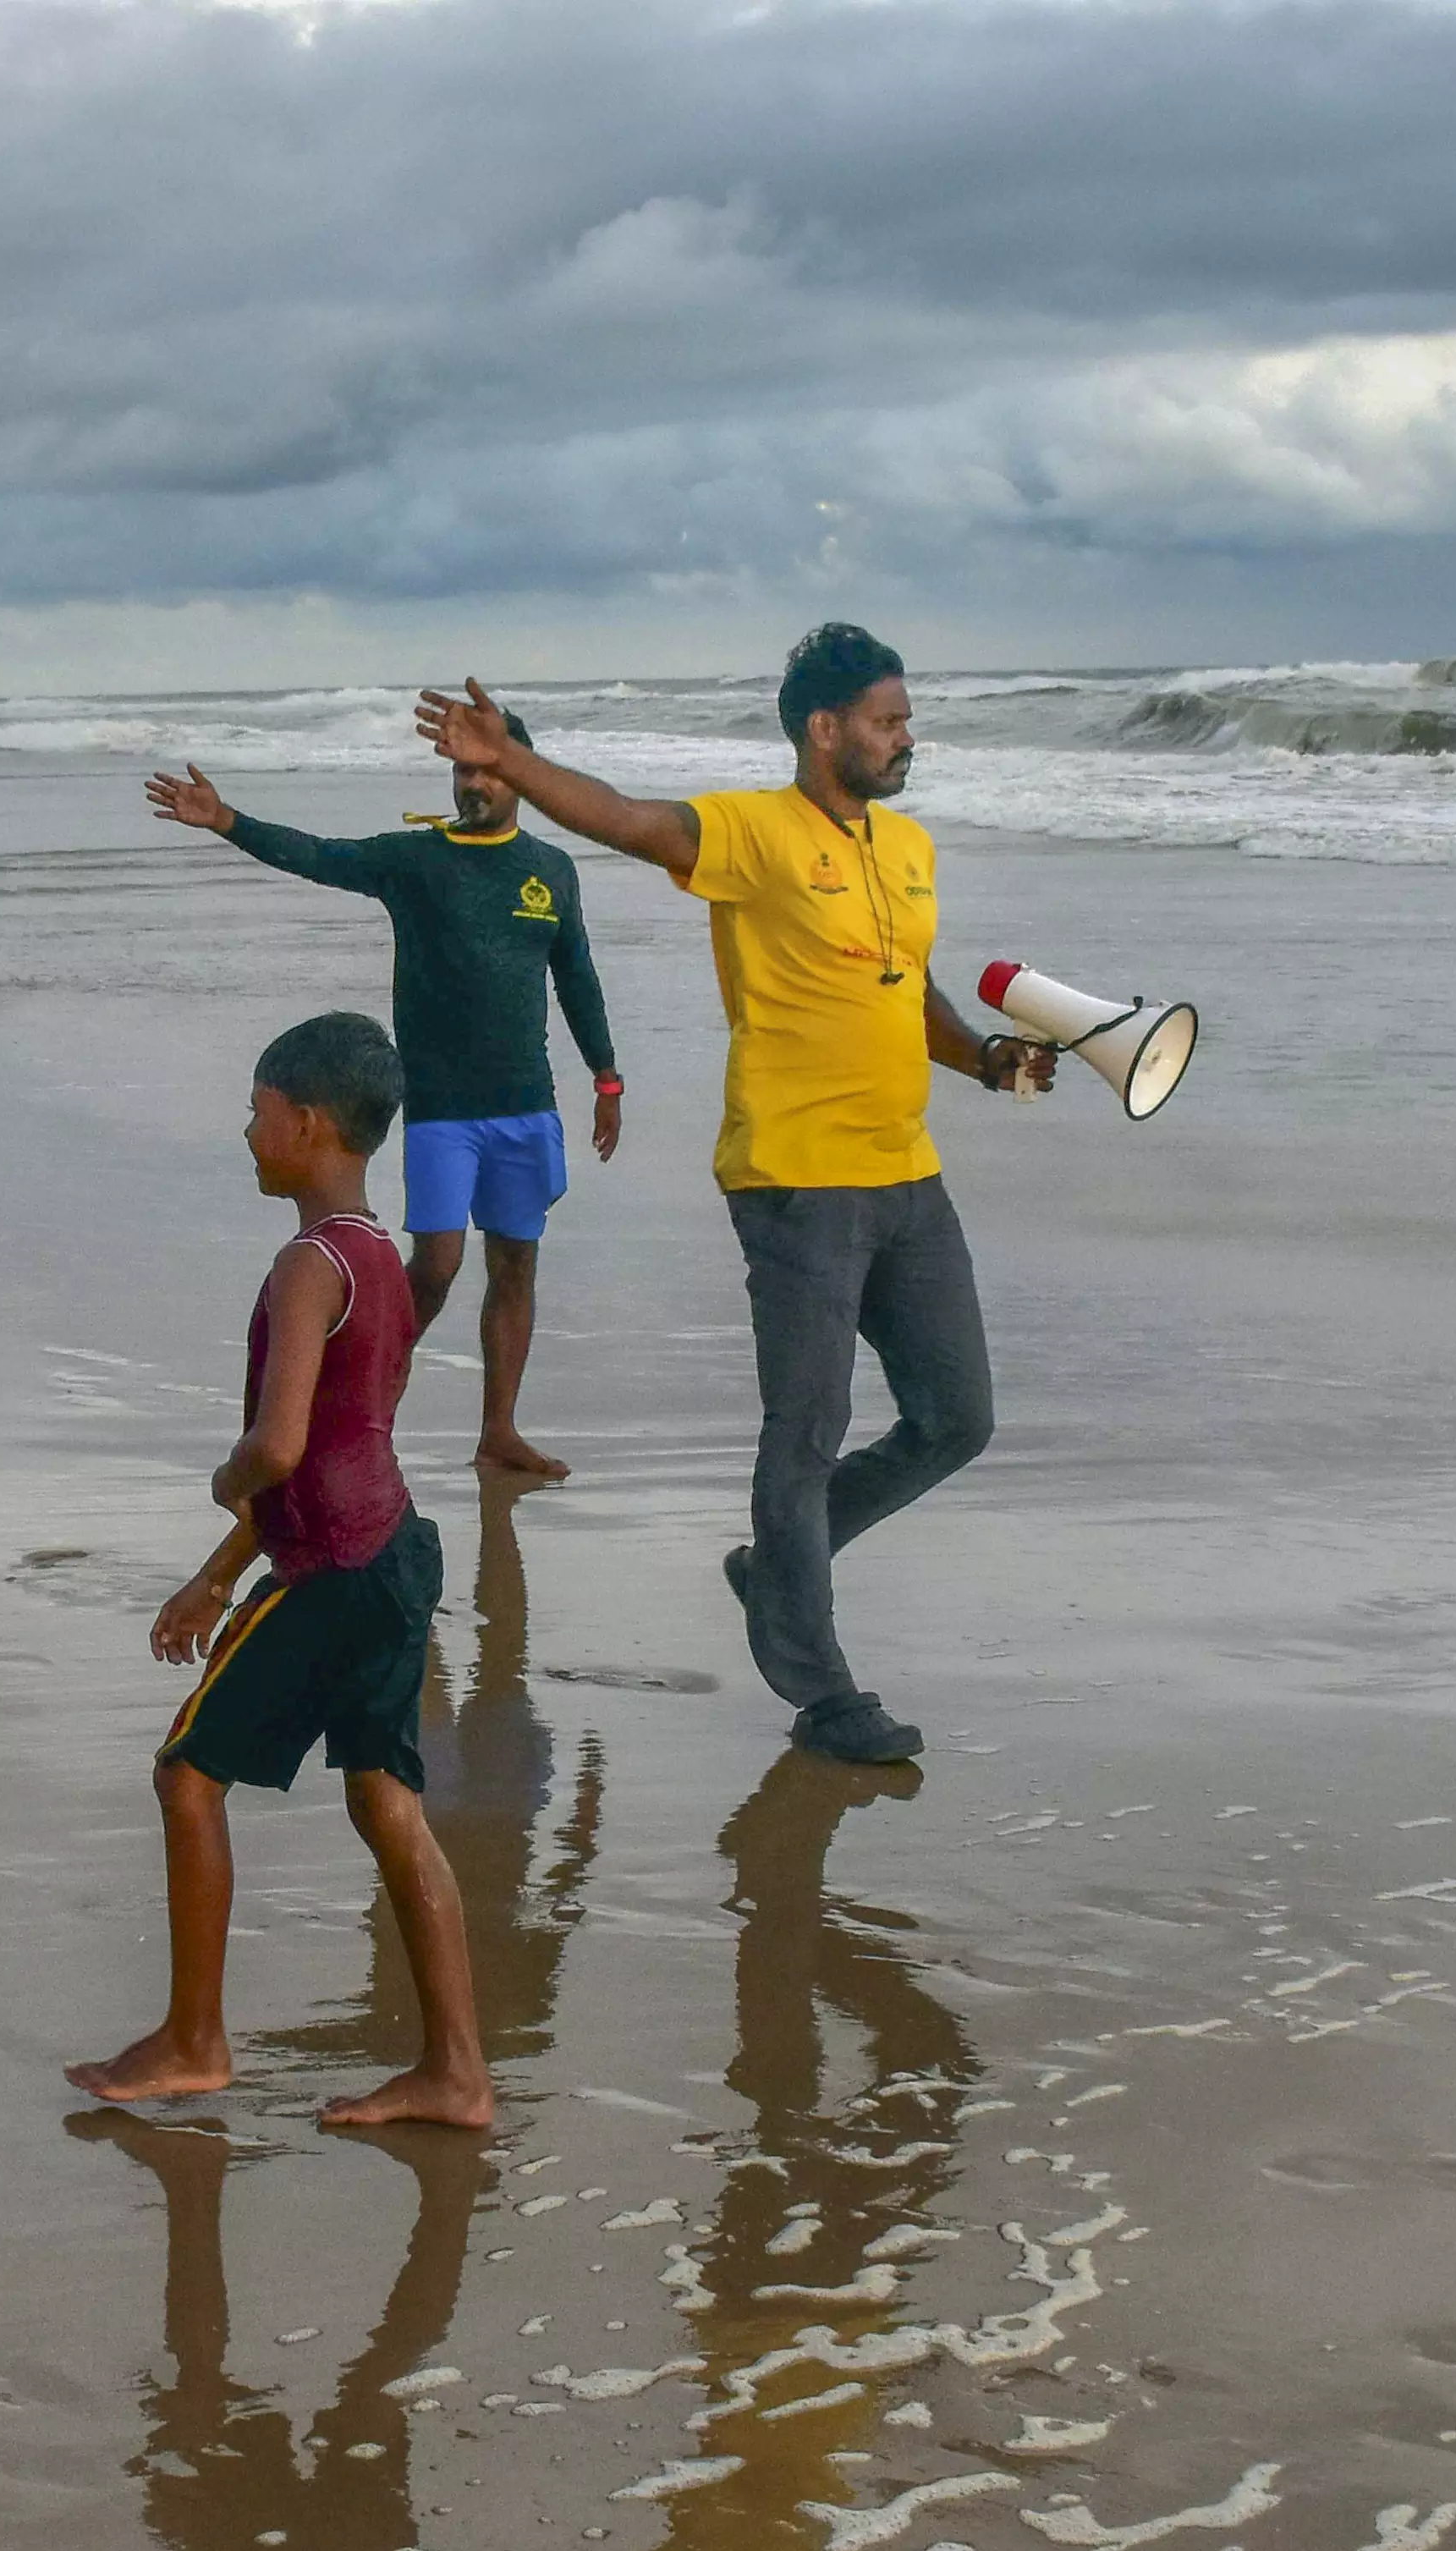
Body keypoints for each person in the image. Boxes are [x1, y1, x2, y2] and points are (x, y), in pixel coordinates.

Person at [415, 625, 1053, 1766]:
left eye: (906, 719)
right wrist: (510, 765)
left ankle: (775, 1567)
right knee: (805, 1434)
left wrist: (987, 1059)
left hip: (908, 1174)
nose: (907, 737)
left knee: (959, 1418)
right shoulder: (754, 835)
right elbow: (626, 819)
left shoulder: (906, 847)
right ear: (824, 730)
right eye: (887, 719)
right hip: (796, 1181)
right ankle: (820, 1688)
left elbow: (906, 988)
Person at [68, 1013, 491, 2127]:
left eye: (258, 1115)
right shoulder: (379, 1257)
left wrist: (225, 1479)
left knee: (186, 1776)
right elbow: (351, 1442)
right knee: (389, 1802)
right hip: (394, 1553)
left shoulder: (307, 1265)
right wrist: (217, 1574)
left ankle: (197, 2041)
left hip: (336, 1573)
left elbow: (284, 1448)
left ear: (306, 1125)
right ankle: (456, 2071)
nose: (247, 1133)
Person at [145, 712, 621, 1481]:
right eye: (463, 772)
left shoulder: (551, 870)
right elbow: (322, 857)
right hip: (441, 1110)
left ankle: (498, 1431)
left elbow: (577, 977)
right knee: (434, 1266)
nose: (473, 783)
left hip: (526, 1104)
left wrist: (606, 1076)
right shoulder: (416, 861)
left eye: (488, 771)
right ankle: (360, 1412)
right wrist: (228, 821)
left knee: (516, 1264)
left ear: (521, 777)